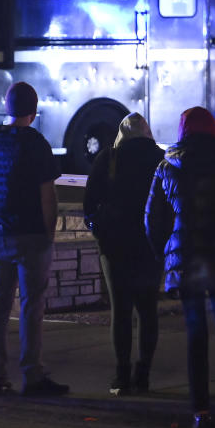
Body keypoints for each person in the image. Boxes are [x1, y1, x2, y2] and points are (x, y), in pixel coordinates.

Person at [145, 106, 215, 428]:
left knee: (196, 335)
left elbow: (152, 217)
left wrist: (165, 255)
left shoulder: (169, 163)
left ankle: (200, 411)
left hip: (188, 260)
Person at [0, 81, 69, 397]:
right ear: (34, 109)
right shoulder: (36, 144)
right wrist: (49, 234)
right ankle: (32, 374)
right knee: (31, 306)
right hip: (30, 235)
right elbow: (48, 196)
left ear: (6, 106)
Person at [83, 113, 165, 396]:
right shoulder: (161, 158)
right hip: (150, 245)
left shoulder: (108, 158)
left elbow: (90, 203)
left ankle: (121, 375)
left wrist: (98, 230)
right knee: (147, 310)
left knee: (120, 310)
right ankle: (143, 374)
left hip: (114, 245)